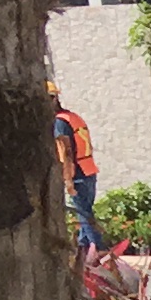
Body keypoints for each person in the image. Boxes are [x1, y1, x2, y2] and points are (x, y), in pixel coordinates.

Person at [49, 85, 100, 252]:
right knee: (85, 213)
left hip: (78, 174)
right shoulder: (73, 117)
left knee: (84, 215)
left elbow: (66, 152)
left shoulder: (60, 122)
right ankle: (83, 250)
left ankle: (98, 250)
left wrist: (68, 179)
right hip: (89, 170)